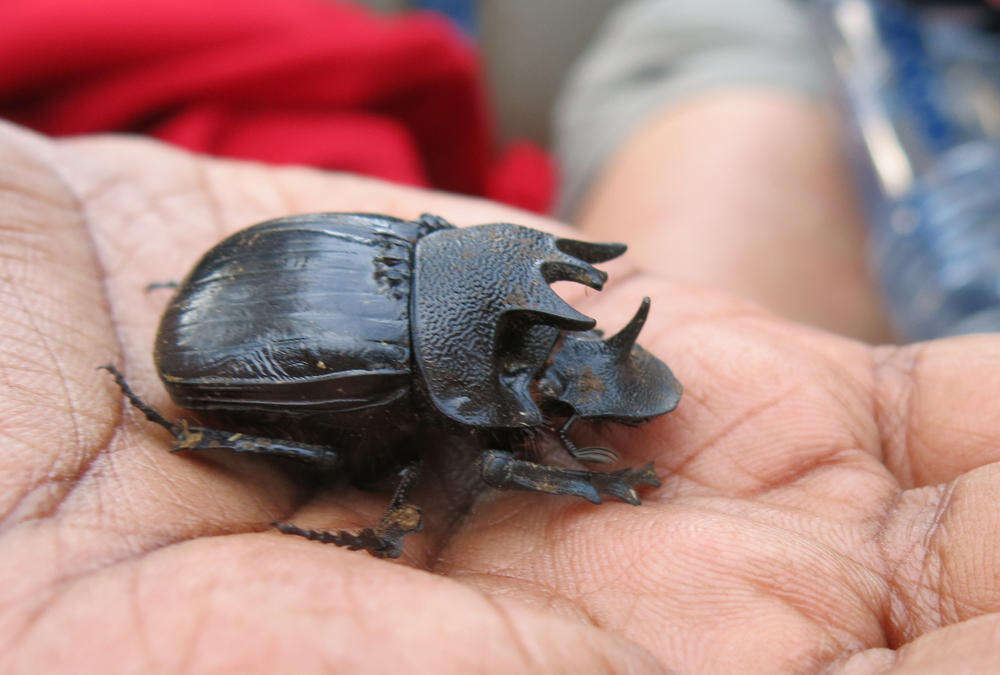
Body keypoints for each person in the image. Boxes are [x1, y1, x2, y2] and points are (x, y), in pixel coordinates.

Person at [1, 116, 999, 671]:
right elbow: (471, 448)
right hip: (222, 347)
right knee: (321, 454)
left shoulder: (448, 265)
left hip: (248, 245)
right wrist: (585, 481)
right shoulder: (416, 363)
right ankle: (186, 442)